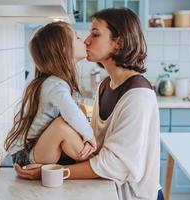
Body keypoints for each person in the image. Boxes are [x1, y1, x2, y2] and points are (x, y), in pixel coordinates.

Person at [14, 8, 163, 200]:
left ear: (119, 43)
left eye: (95, 34)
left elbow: (117, 165)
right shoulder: (104, 86)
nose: (86, 40)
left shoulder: (138, 96)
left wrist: (53, 171)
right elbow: (94, 149)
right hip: (109, 190)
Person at [4, 21, 97, 168]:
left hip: (35, 150)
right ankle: (93, 163)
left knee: (77, 112)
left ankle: (91, 161)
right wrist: (90, 136)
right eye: (77, 37)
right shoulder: (55, 84)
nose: (84, 40)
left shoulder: (54, 82)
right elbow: (71, 114)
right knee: (61, 125)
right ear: (65, 50)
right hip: (26, 155)